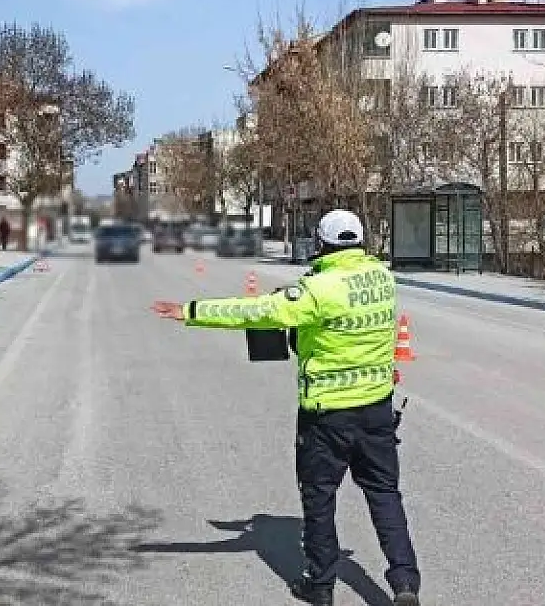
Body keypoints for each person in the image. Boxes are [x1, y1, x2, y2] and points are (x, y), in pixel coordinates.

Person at [151, 209, 421, 606]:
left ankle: (321, 584)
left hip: (327, 415)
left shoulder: (317, 289)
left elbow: (255, 311)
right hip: (377, 407)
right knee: (384, 494)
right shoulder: (382, 278)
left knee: (319, 497)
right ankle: (404, 583)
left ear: (322, 243)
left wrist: (191, 311)